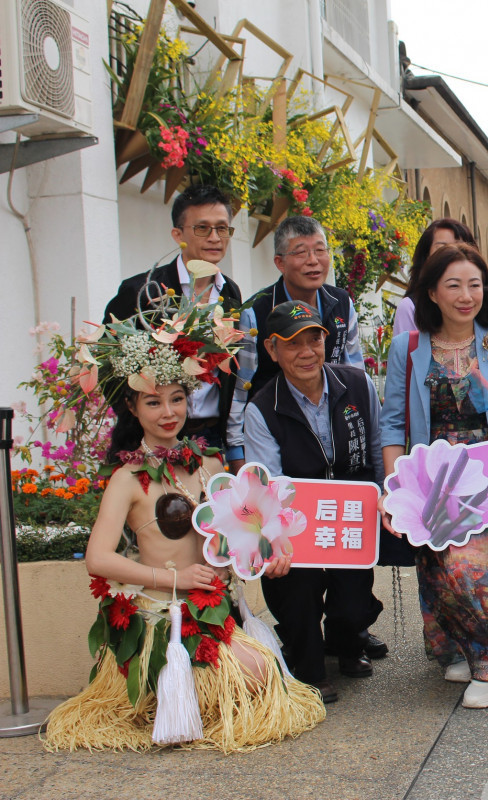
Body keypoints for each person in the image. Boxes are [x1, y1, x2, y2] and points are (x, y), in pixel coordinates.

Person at [43, 302, 324, 753]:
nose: (168, 412)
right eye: (153, 402)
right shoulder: (127, 479)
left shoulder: (208, 464)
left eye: (176, 399)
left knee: (265, 673)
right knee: (254, 675)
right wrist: (173, 578)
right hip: (165, 615)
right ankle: (173, 692)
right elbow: (98, 559)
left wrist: (271, 550)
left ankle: (199, 691)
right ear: (133, 408)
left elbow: (242, 527)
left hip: (214, 607)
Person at [379, 242, 488, 708]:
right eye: (453, 285)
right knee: (443, 571)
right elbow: (393, 423)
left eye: (474, 284)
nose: (466, 295)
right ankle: (472, 653)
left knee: (486, 573)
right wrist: (396, 490)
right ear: (431, 292)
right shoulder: (408, 347)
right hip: (434, 481)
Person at [242, 301, 384, 704]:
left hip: (352, 520)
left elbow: (375, 447)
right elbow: (265, 484)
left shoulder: (357, 384)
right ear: (272, 350)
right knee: (297, 590)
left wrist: (383, 494)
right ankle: (307, 665)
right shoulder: (262, 409)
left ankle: (346, 643)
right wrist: (274, 539)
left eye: (314, 339)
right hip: (296, 527)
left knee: (353, 606)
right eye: (293, 344)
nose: (307, 352)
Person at [104, 185, 244, 453]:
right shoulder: (143, 290)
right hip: (148, 439)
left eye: (222, 228)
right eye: (202, 228)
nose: (215, 237)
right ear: (177, 234)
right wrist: (140, 415)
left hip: (212, 436)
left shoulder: (230, 291)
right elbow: (107, 364)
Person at [226, 216, 364, 470]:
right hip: (278, 428)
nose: (313, 261)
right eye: (301, 252)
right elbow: (240, 385)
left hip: (334, 426)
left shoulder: (342, 302)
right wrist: (236, 450)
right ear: (280, 262)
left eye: (320, 250)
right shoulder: (256, 312)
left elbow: (355, 371)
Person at [392, 218, 476, 333]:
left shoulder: (484, 302)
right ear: (426, 257)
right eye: (442, 248)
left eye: (460, 248)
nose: (451, 256)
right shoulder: (410, 308)